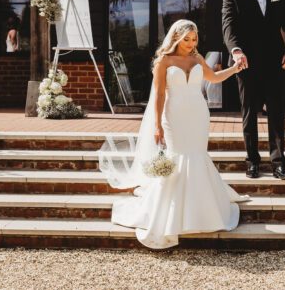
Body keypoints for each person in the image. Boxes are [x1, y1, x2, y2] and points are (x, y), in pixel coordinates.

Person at [98, 20, 248, 249]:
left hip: (199, 114)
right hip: (174, 115)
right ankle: (171, 213)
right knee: (177, 156)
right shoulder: (163, 61)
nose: (191, 44)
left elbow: (214, 78)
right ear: (176, 38)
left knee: (197, 155)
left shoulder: (198, 58)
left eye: (194, 39)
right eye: (186, 39)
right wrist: (157, 125)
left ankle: (202, 211)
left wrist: (235, 68)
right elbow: (158, 95)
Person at [221, 0, 285, 179]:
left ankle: (279, 162)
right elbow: (228, 27)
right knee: (248, 112)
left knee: (276, 111)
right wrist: (236, 51)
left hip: (275, 61)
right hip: (245, 62)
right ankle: (252, 161)